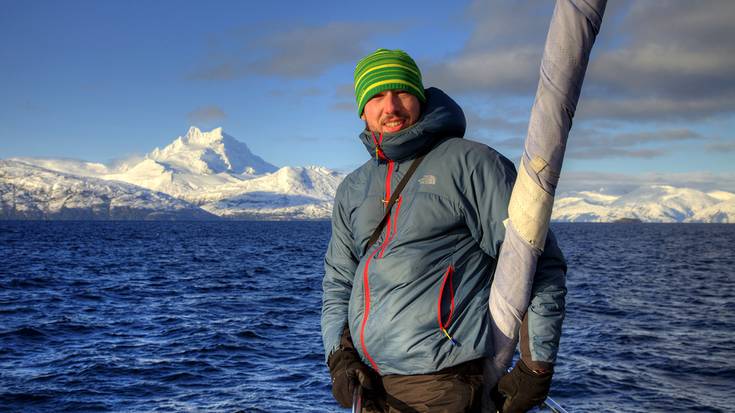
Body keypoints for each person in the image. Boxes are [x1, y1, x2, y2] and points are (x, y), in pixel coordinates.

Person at [321, 48, 567, 413]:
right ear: (362, 109)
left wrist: (536, 366)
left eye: (401, 92)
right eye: (376, 95)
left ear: (420, 97)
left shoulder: (472, 165)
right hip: (369, 388)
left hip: (442, 385)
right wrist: (339, 357)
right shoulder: (354, 188)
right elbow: (340, 279)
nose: (390, 106)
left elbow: (538, 260)